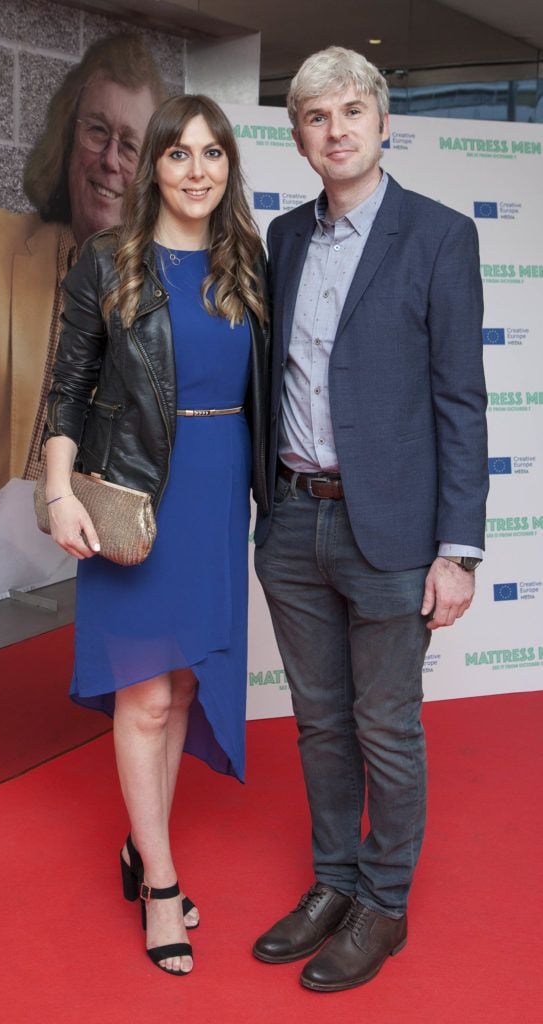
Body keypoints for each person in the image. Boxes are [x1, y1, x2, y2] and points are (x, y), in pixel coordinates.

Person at [253, 46, 488, 993]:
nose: (336, 129)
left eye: (352, 111)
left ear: (382, 123)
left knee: (385, 725)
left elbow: (459, 402)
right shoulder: (281, 238)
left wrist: (458, 551)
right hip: (293, 522)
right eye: (316, 117)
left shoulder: (439, 236)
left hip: (390, 532)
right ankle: (332, 883)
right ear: (299, 137)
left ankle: (383, 905)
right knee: (318, 724)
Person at [43, 94, 269, 975]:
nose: (197, 169)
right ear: (155, 169)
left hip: (216, 499)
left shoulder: (244, 262)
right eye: (179, 153)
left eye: (213, 154)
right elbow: (65, 387)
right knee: (142, 695)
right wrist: (59, 493)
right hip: (136, 493)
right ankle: (162, 883)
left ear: (227, 169)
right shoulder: (107, 261)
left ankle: (144, 845)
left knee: (176, 689)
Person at [0, 33, 166, 496]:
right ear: (67, 139)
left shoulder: (167, 286)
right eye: (97, 131)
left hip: (100, 539)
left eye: (130, 146)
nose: (110, 161)